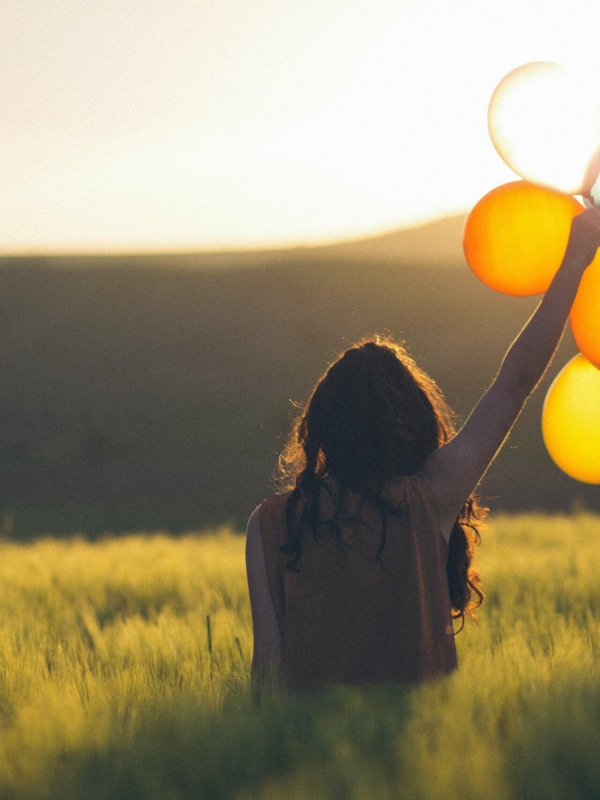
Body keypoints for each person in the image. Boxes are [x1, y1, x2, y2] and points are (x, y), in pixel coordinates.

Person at [246, 208, 600, 692]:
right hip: (423, 759)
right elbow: (514, 383)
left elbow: (266, 668)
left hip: (311, 761)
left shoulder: (270, 523)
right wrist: (576, 259)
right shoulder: (429, 496)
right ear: (410, 421)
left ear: (324, 427)